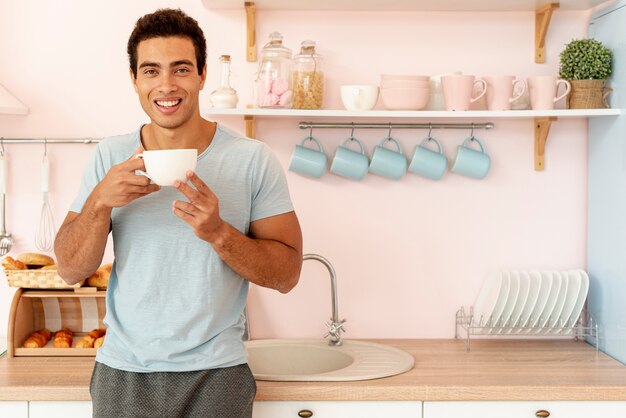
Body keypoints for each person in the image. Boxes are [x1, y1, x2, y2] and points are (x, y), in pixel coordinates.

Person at [54, 8, 303, 418]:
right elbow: (69, 269)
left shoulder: (252, 159)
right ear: (134, 79)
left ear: (202, 74)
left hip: (217, 375)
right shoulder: (110, 156)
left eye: (181, 69)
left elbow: (287, 274)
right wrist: (100, 201)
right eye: (151, 71)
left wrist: (218, 232)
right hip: (124, 373)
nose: (166, 85)